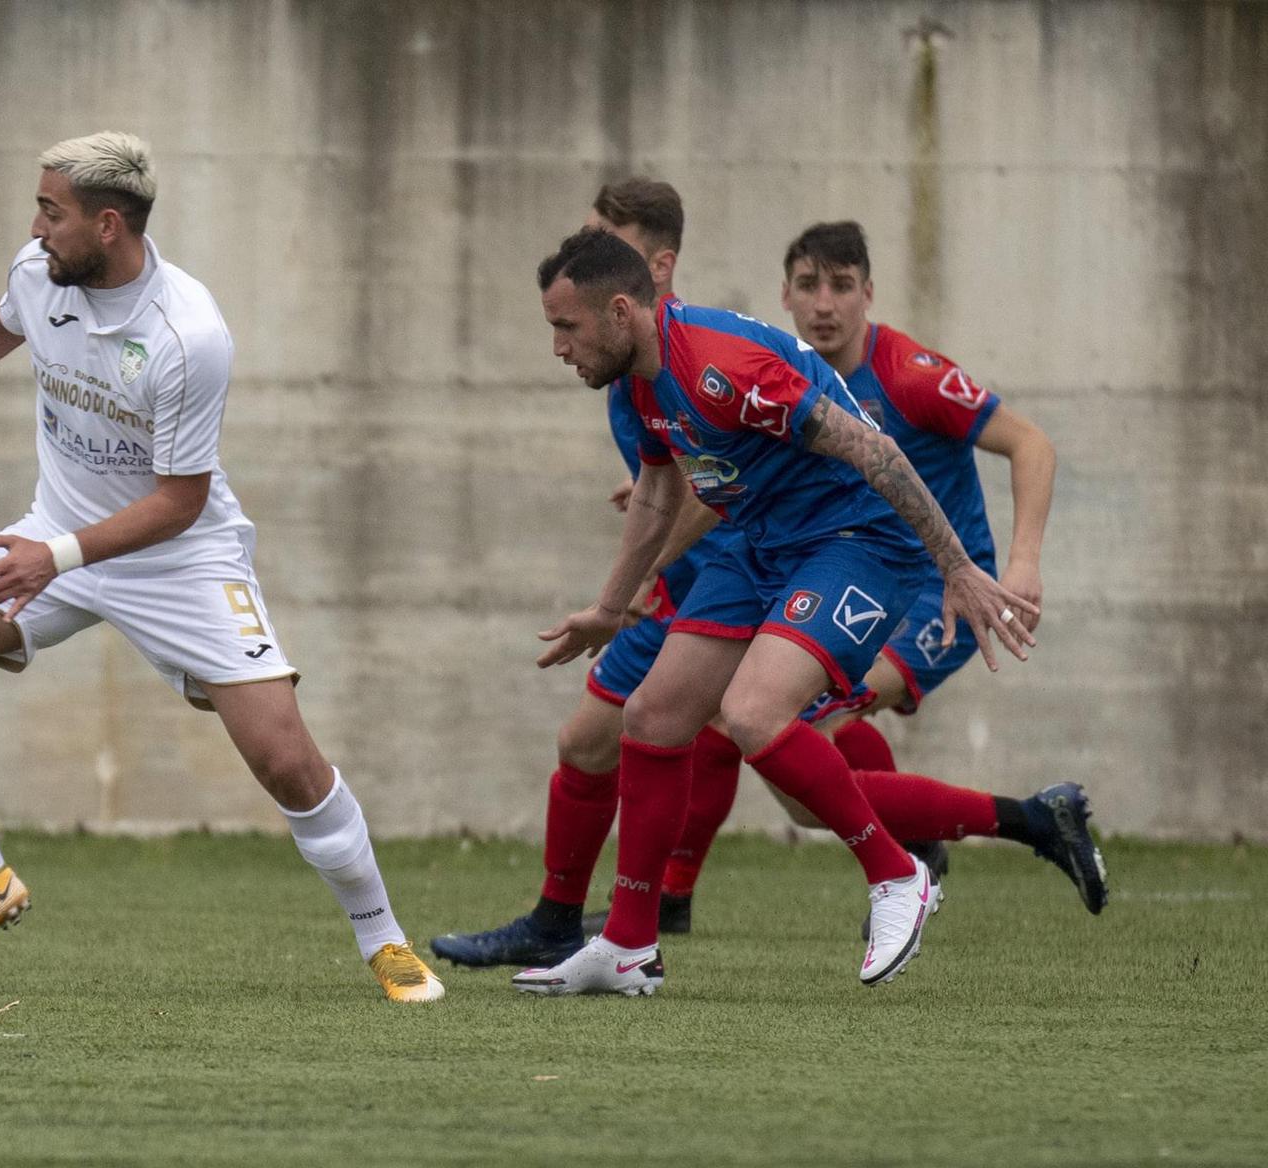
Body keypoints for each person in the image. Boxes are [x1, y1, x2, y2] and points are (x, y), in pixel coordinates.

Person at [0, 131, 443, 1003]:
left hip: (180, 559)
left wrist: (52, 558)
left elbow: (180, 501)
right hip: (53, 539)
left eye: (52, 211)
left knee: (286, 761)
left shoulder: (188, 335)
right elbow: (3, 322)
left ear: (108, 225)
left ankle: (384, 938)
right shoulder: (41, 272)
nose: (36, 227)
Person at [514, 226, 1039, 995]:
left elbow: (877, 451)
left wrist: (957, 567)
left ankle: (898, 875)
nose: (559, 347)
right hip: (760, 538)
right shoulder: (641, 379)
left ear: (621, 312)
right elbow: (659, 492)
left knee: (753, 713)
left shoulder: (725, 370)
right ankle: (628, 945)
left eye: (567, 326)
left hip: (858, 540)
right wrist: (610, 606)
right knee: (652, 718)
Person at [657, 221, 1109, 929]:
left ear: (868, 293)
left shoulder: (908, 376)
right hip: (844, 571)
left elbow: (1031, 443)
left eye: (841, 286)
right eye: (808, 286)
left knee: (779, 729)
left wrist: (1023, 562)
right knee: (782, 753)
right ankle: (991, 830)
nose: (824, 304)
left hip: (940, 595)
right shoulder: (785, 377)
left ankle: (925, 854)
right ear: (784, 295)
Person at [432, 180, 746, 969]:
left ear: (657, 267)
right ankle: (565, 921)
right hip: (674, 585)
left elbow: (722, 483)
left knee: (770, 740)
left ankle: (925, 856)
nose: (585, 258)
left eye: (607, 242)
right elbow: (671, 475)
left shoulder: (683, 351)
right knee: (588, 742)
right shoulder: (626, 359)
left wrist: (642, 575)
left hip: (738, 579)